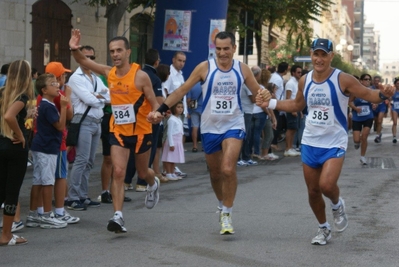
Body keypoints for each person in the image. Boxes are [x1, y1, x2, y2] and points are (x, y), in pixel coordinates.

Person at [256, 38, 394, 245]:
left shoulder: (343, 79)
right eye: (316, 54)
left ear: (331, 56)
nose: (319, 59)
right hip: (311, 141)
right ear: (311, 55)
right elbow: (296, 104)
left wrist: (383, 94)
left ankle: (337, 205)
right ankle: (323, 228)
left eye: (323, 54)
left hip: (334, 141)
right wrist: (271, 102)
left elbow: (369, 94)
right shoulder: (305, 80)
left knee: (327, 185)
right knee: (313, 191)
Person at [149, 31, 262, 235]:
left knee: (228, 168)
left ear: (234, 48)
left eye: (226, 48)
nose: (222, 53)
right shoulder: (205, 67)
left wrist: (267, 98)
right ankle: (221, 203)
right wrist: (159, 110)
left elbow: (257, 93)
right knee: (216, 172)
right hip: (210, 127)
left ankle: (227, 213)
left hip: (234, 124)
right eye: (218, 49)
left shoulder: (242, 69)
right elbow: (181, 91)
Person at [69, 29, 160, 234]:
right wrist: (73, 48)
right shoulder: (109, 73)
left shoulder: (141, 77)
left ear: (128, 52)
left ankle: (153, 184)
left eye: (119, 50)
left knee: (143, 172)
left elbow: (155, 104)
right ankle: (118, 216)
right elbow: (85, 62)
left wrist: (156, 114)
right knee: (118, 171)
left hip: (141, 132)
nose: (115, 54)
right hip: (118, 130)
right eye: (112, 51)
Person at [67, 45, 110, 211]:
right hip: (84, 121)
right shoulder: (75, 78)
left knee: (90, 161)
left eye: (92, 57)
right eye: (86, 57)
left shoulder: (95, 77)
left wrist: (98, 97)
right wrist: (99, 97)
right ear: (79, 58)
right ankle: (72, 198)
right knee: (81, 159)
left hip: (96, 121)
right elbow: (89, 99)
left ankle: (83, 195)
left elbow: (109, 96)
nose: (89, 60)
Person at [27, 73, 69, 229]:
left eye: (57, 83)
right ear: (44, 90)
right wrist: (64, 107)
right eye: (53, 84)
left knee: (38, 180)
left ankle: (33, 214)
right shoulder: (47, 105)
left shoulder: (46, 104)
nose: (57, 86)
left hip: (41, 146)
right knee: (47, 181)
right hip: (47, 148)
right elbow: (59, 126)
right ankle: (46, 215)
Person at [40, 62, 79, 224]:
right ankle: (58, 210)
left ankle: (42, 210)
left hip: (46, 141)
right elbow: (69, 116)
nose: (65, 78)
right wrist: (68, 96)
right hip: (56, 142)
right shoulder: (58, 96)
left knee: (44, 178)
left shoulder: (45, 97)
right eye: (63, 75)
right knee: (60, 176)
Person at [0, 60, 33, 245]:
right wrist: (20, 135)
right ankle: (6, 235)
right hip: (15, 148)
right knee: (11, 192)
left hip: (1, 144)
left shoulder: (2, 94)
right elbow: (8, 116)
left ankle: (5, 234)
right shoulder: (21, 97)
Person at [163, 51, 187, 177]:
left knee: (179, 136)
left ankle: (173, 166)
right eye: (179, 60)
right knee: (169, 138)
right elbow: (166, 90)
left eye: (183, 61)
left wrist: (185, 110)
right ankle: (167, 168)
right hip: (171, 110)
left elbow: (183, 93)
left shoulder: (181, 75)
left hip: (180, 109)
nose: (181, 63)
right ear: (173, 60)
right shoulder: (170, 73)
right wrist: (166, 108)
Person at [349, 74, 375, 165]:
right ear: (361, 81)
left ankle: (362, 156)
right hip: (357, 117)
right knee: (357, 139)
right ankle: (357, 142)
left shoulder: (372, 91)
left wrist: (375, 104)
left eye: (369, 79)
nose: (367, 81)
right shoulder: (356, 91)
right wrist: (355, 108)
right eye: (365, 79)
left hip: (368, 116)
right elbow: (350, 102)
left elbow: (376, 101)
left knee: (364, 137)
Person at [161, 101, 185, 180]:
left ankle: (172, 172)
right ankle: (168, 173)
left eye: (181, 107)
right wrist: (171, 144)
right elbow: (169, 132)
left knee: (173, 158)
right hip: (172, 140)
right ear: (174, 108)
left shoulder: (178, 119)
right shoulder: (171, 119)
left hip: (177, 140)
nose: (180, 109)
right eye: (178, 107)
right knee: (169, 158)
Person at [269, 62, 288, 152]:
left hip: (274, 103)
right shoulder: (277, 79)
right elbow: (272, 89)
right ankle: (274, 143)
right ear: (285, 70)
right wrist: (277, 102)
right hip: (275, 104)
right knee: (276, 124)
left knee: (277, 124)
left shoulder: (275, 76)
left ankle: (273, 142)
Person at [284, 65, 302, 157]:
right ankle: (287, 148)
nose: (300, 74)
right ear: (293, 73)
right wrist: (292, 110)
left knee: (294, 129)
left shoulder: (297, 82)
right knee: (290, 129)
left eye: (300, 72)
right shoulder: (290, 83)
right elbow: (288, 97)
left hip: (296, 108)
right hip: (291, 108)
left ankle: (290, 147)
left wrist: (300, 110)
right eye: (298, 72)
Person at [186, 82, 203, 153]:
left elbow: (188, 100)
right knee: (204, 128)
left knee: (194, 127)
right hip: (204, 109)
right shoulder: (205, 84)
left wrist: (188, 110)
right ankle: (204, 146)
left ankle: (195, 146)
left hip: (194, 109)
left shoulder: (192, 85)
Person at [371, 75, 386, 143]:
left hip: (381, 106)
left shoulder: (383, 88)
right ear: (373, 81)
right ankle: (379, 131)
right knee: (376, 121)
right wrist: (372, 103)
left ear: (380, 81)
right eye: (375, 81)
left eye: (378, 81)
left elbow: (387, 97)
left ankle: (377, 135)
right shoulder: (370, 88)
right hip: (373, 107)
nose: (376, 82)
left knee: (379, 121)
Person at [390, 78, 399, 144]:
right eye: (397, 83)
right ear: (395, 84)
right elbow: (389, 98)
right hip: (395, 108)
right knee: (395, 122)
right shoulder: (393, 91)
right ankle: (394, 137)